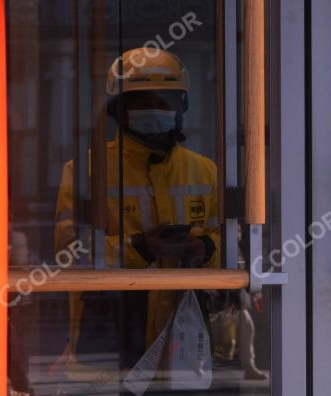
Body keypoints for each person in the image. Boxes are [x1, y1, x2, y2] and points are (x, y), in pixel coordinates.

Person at [53, 48, 221, 373]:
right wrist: (141, 247)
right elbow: (68, 254)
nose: (155, 110)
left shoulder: (205, 171)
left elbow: (228, 241)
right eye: (142, 102)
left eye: (164, 102)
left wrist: (205, 248)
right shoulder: (85, 171)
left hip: (182, 350)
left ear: (180, 107)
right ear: (119, 109)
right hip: (108, 343)